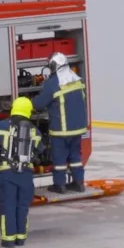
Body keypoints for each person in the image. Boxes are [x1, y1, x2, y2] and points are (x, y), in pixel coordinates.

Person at [0, 94, 43, 247]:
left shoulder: (4, 126)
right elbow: (40, 150)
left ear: (14, 108)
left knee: (8, 206)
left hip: (7, 173)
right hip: (26, 174)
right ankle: (21, 238)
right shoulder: (35, 132)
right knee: (22, 207)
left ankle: (8, 240)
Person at [32, 52, 88, 193]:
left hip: (61, 130)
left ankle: (60, 185)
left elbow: (39, 104)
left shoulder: (52, 83)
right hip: (78, 129)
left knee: (59, 159)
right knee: (75, 157)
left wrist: (30, 102)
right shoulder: (76, 79)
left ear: (53, 66)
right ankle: (79, 184)